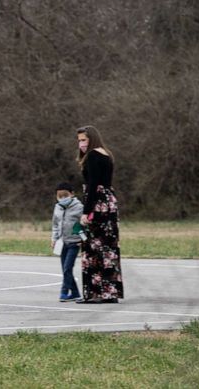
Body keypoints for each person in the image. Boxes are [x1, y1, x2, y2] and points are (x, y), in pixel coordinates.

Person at [76, 125, 124, 303]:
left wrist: (86, 212)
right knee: (108, 247)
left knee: (91, 247)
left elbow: (93, 186)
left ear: (92, 139)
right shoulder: (106, 154)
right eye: (79, 140)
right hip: (109, 203)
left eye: (83, 140)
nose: (81, 144)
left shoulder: (92, 156)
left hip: (97, 204)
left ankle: (94, 292)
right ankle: (110, 292)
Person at [51, 181, 84, 302]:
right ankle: (75, 293)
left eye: (65, 195)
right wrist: (54, 239)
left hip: (74, 243)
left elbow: (84, 226)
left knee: (67, 268)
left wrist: (83, 239)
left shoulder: (79, 207)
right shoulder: (57, 207)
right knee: (65, 270)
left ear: (72, 194)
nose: (63, 198)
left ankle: (64, 292)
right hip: (62, 242)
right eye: (60, 196)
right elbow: (55, 224)